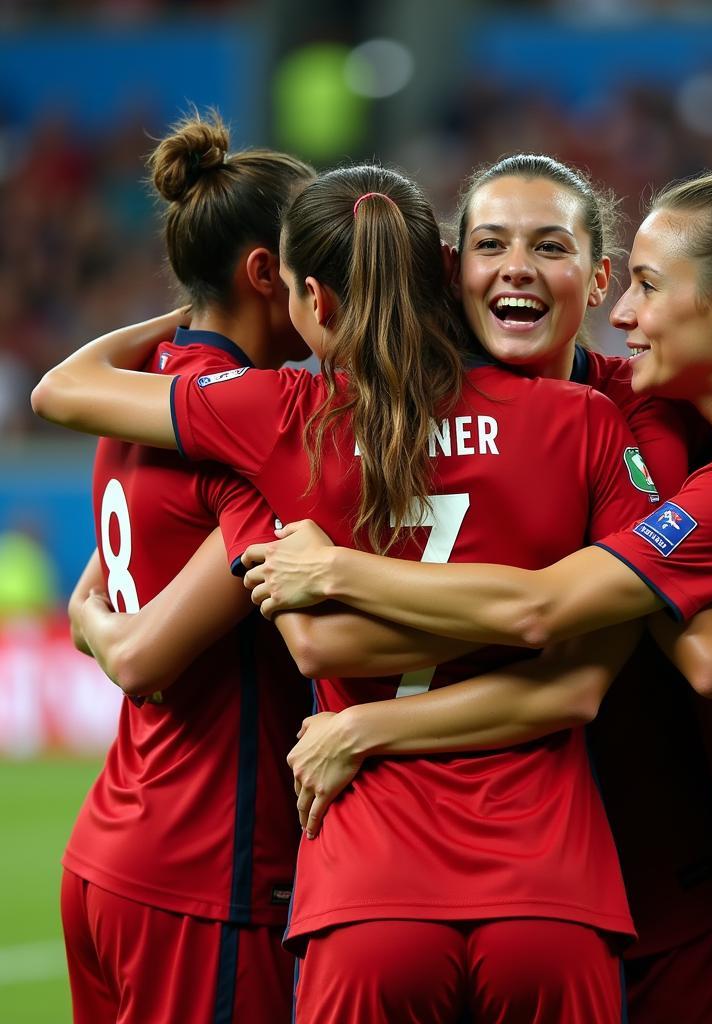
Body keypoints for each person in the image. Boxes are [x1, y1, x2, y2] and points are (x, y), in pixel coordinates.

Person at [240, 166, 712, 1023]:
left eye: (558, 249)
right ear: (451, 268)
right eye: (490, 245)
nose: (627, 314)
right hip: (584, 890)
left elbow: (601, 629)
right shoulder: (392, 407)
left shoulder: (652, 411)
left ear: (597, 277)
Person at [34, 162, 661, 1024]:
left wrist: (194, 305)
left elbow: (62, 391)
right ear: (445, 268)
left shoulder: (287, 414)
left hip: (360, 881)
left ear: (311, 301)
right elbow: (598, 642)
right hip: (551, 883)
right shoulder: (596, 421)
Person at [40, 112, 315, 1024]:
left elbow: (98, 590)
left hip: (111, 848)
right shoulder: (256, 422)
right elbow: (147, 656)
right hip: (207, 872)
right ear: (269, 275)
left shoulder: (146, 387)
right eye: (316, 266)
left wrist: (195, 303)